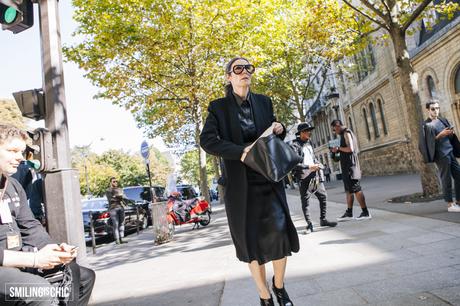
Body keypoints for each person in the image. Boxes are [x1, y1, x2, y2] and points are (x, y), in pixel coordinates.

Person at [200, 57, 299, 306]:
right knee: (251, 241)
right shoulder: (218, 108)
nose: (244, 72)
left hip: (269, 178)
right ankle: (264, 296)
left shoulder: (264, 102)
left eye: (248, 68)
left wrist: (280, 127)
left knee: (279, 234)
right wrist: (240, 152)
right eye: (238, 69)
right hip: (241, 186)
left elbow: (275, 131)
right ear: (229, 76)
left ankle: (279, 286)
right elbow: (208, 141)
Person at [0, 124, 95, 305]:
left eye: (21, 152)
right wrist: (34, 259)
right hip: (6, 264)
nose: (20, 158)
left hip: (19, 261)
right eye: (12, 150)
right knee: (39, 291)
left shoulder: (12, 185)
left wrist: (56, 249)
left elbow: (30, 226)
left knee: (83, 277)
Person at [291, 123, 338, 233]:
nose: (309, 133)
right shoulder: (294, 145)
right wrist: (309, 167)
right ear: (301, 133)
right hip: (304, 177)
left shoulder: (309, 143)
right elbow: (294, 164)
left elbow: (312, 158)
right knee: (305, 201)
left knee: (323, 196)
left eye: (309, 131)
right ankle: (309, 224)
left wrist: (319, 164)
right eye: (307, 131)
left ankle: (323, 220)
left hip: (314, 176)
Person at [419, 99, 460, 212]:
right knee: (446, 179)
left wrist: (450, 132)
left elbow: (450, 137)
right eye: (433, 109)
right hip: (441, 155)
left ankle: (458, 201)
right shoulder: (426, 125)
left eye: (437, 108)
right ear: (428, 110)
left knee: (458, 175)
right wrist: (440, 135)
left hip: (450, 152)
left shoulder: (443, 120)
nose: (436, 111)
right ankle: (450, 205)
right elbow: (425, 144)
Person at [330, 119, 372, 221]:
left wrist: (338, 149)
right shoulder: (343, 134)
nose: (334, 132)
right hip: (346, 166)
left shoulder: (346, 133)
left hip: (351, 166)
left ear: (338, 126)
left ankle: (365, 212)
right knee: (349, 190)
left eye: (334, 129)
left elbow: (351, 149)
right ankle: (349, 213)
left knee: (357, 189)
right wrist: (336, 152)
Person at [105, 177, 127, 244]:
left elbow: (124, 197)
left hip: (120, 207)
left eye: (116, 181)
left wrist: (117, 196)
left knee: (122, 223)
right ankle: (117, 240)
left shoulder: (120, 189)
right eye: (114, 181)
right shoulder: (108, 190)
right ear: (111, 182)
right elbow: (111, 199)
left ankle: (122, 238)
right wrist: (118, 197)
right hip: (113, 209)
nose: (115, 183)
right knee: (116, 224)